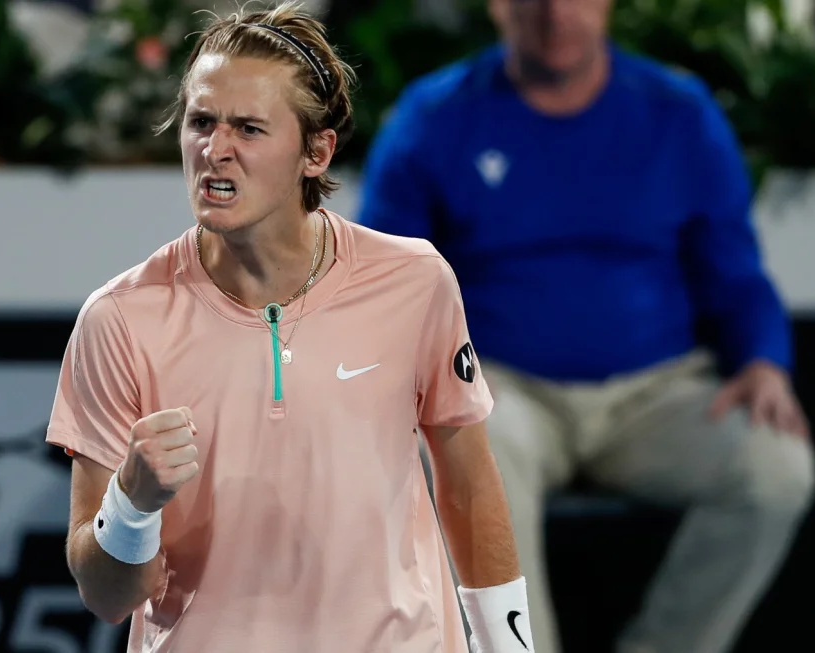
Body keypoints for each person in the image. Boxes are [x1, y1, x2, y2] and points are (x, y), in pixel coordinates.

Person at [46, 2, 537, 651]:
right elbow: (106, 597)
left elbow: (469, 486)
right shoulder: (117, 319)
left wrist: (512, 646)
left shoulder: (415, 282)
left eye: (248, 129)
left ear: (316, 151)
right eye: (200, 122)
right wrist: (132, 504)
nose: (214, 150)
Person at [354, 1, 815, 652]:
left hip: (655, 391)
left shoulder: (677, 112)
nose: (555, 14)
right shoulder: (433, 116)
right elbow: (383, 281)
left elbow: (735, 272)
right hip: (500, 388)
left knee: (777, 470)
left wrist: (763, 361)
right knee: (467, 443)